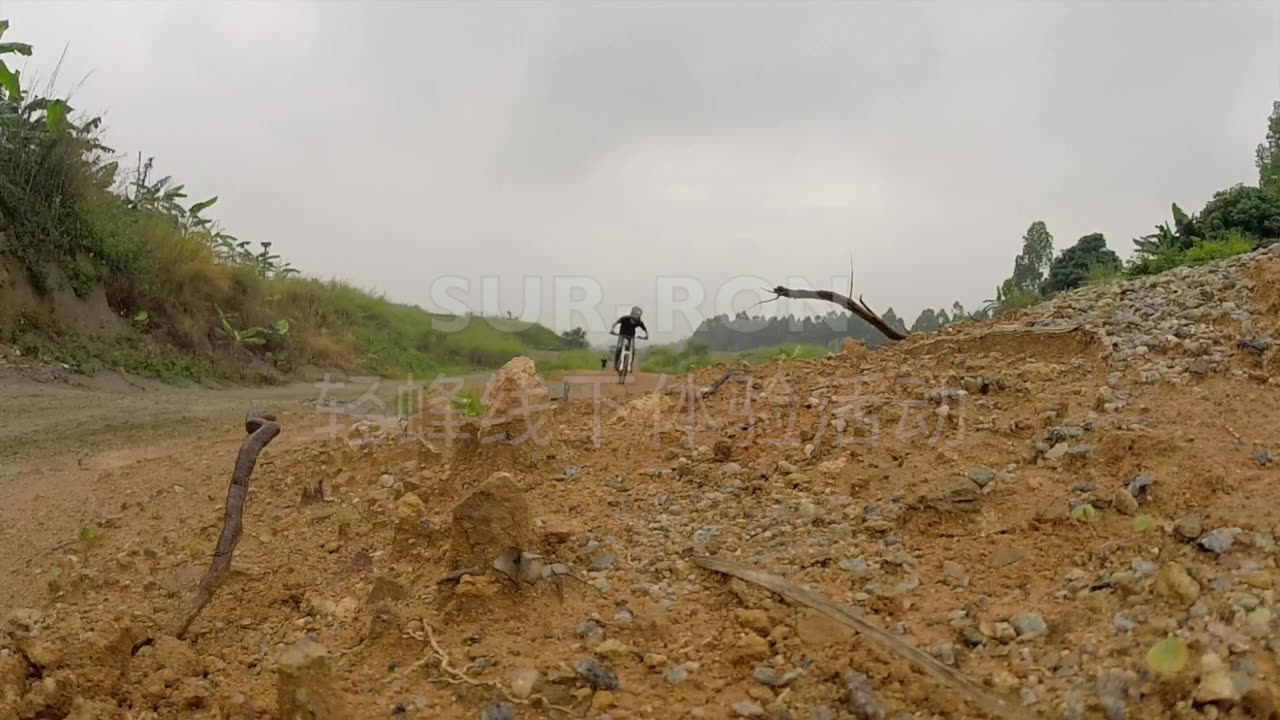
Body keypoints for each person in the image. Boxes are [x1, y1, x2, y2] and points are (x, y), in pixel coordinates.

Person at [609, 306, 649, 370]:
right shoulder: (624, 318)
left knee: (632, 350)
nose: (634, 321)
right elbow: (615, 323)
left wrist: (646, 336)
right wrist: (612, 330)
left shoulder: (639, 322)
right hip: (622, 334)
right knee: (619, 347)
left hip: (631, 336)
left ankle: (630, 364)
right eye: (633, 319)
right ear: (631, 315)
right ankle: (616, 363)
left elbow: (645, 329)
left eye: (635, 320)